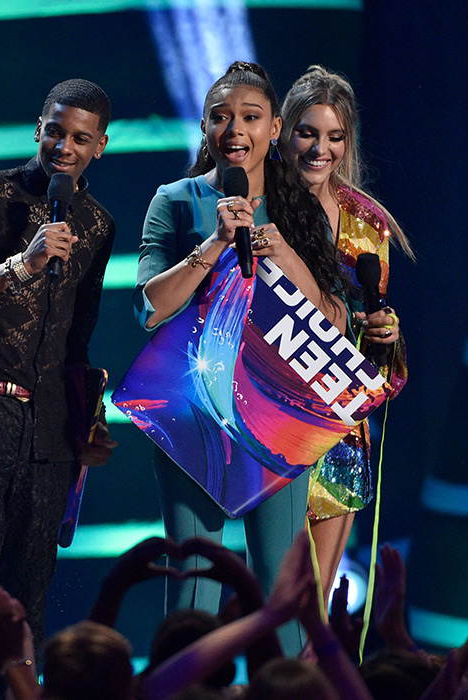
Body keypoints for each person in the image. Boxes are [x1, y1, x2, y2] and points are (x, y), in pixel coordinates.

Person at [133, 61, 350, 654]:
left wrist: (281, 253)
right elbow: (150, 308)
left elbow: (332, 320)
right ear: (204, 126)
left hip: (274, 411)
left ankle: (280, 692)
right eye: (222, 117)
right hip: (192, 409)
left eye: (251, 118)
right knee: (193, 580)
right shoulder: (174, 201)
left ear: (274, 128)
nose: (236, 129)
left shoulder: (298, 204)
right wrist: (212, 247)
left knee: (280, 583)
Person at [0, 78, 118, 655]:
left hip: (53, 426)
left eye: (80, 138)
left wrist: (92, 418)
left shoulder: (98, 225)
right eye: (55, 131)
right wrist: (21, 266)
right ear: (39, 129)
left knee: (29, 592)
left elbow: (80, 338)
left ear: (100, 146)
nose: (65, 146)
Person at [281, 65, 410, 601]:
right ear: (283, 131)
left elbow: (373, 321)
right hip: (269, 416)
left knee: (318, 599)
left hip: (338, 424)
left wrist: (386, 332)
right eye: (308, 132)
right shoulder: (264, 207)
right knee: (274, 595)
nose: (320, 149)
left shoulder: (368, 223)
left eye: (335, 137)